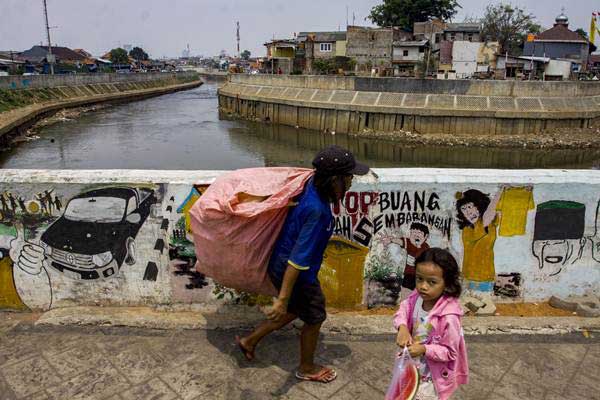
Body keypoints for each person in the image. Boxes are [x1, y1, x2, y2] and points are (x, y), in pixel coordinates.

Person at [236, 145, 369, 383]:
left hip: (280, 263)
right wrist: (282, 298)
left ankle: (250, 340)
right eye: (349, 177)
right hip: (296, 273)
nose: (351, 182)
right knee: (315, 316)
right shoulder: (317, 211)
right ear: (335, 180)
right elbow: (297, 261)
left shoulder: (310, 184)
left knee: (297, 309)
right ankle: (306, 368)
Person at [394, 248, 468, 400]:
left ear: (446, 283)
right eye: (419, 279)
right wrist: (402, 327)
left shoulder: (449, 317)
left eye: (432, 282)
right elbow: (403, 308)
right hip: (412, 367)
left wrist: (424, 349)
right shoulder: (416, 297)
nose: (423, 286)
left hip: (432, 377)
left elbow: (450, 352)